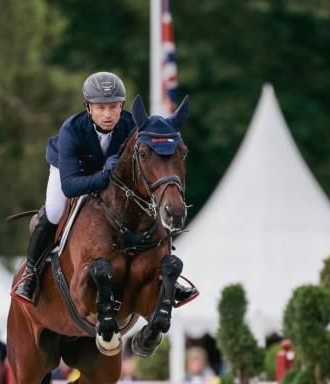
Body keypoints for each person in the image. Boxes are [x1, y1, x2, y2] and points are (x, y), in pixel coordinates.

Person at [11, 71, 197, 306]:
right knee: (55, 211)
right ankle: (31, 273)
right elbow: (70, 186)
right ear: (88, 107)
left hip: (111, 177)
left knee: (149, 205)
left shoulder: (132, 125)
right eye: (100, 108)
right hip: (71, 170)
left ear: (121, 106)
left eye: (113, 107)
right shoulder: (72, 130)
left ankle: (166, 274)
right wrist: (104, 176)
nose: (107, 115)